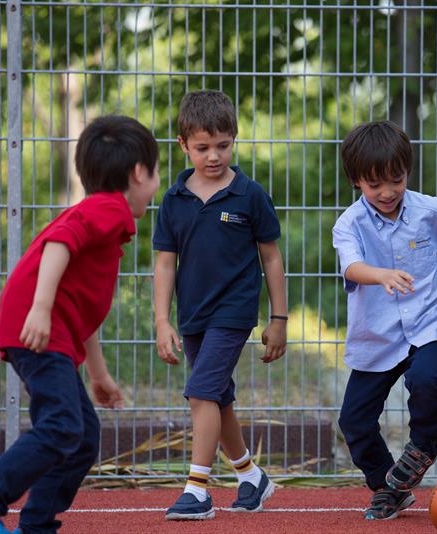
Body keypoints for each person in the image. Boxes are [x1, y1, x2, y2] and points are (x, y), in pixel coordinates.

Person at [0, 116, 159, 534]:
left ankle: (36, 525)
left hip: (52, 332)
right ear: (139, 173)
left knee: (82, 436)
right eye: (156, 173)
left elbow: (84, 316)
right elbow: (59, 241)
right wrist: (41, 307)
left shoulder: (107, 225)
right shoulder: (108, 208)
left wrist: (100, 376)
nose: (156, 184)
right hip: (36, 328)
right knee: (63, 425)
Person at [153, 90, 287, 520]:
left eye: (223, 145)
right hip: (192, 315)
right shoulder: (173, 200)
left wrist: (278, 318)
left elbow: (271, 257)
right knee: (218, 398)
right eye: (202, 147)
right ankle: (250, 477)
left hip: (233, 314)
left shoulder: (249, 195)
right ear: (183, 145)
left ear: (234, 139)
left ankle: (197, 489)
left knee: (200, 392)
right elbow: (164, 263)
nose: (214, 156)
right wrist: (162, 320)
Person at [332, 120, 437, 521]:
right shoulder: (348, 224)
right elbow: (352, 266)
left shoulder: (432, 213)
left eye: (396, 180)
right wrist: (381, 274)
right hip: (378, 334)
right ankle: (390, 485)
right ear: (356, 181)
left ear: (407, 172)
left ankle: (425, 442)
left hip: (428, 323)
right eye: (375, 185)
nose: (387, 192)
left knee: (424, 379)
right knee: (353, 420)